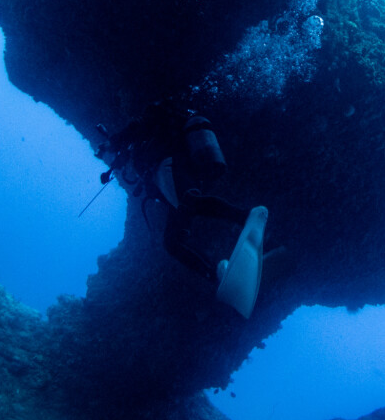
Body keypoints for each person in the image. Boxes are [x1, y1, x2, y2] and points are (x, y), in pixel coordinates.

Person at [98, 103, 263, 284]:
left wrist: (111, 142)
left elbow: (136, 128)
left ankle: (245, 216)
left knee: (189, 202)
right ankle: (215, 275)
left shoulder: (149, 123)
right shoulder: (143, 141)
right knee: (172, 242)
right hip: (172, 179)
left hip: (170, 167)